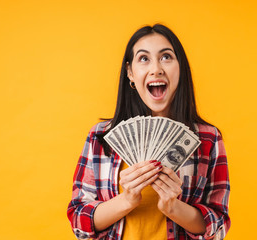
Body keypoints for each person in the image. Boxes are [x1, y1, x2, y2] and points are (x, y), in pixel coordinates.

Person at [67, 24, 230, 240]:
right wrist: (127, 200)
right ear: (130, 73)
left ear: (180, 69)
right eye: (144, 59)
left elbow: (218, 227)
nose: (156, 69)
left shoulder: (208, 139)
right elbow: (78, 220)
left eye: (166, 57)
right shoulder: (101, 137)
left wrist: (173, 207)